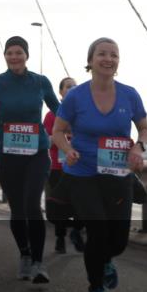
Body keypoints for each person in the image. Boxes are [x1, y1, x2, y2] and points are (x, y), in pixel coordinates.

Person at [52, 38, 147, 292]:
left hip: (118, 174)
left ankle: (107, 260)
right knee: (97, 231)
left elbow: (144, 128)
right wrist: (68, 149)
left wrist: (139, 146)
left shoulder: (130, 94)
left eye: (114, 55)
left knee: (118, 240)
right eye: (102, 54)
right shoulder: (76, 96)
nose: (108, 59)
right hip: (83, 173)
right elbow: (57, 132)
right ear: (91, 60)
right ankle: (96, 290)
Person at [0, 36, 59, 283]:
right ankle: (25, 254)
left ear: (26, 55)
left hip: (37, 152)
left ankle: (39, 263)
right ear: (5, 56)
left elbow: (59, 111)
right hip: (8, 155)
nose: (14, 57)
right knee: (18, 210)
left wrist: (71, 128)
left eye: (19, 52)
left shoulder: (40, 82)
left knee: (31, 206)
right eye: (9, 53)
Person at [43, 77, 85, 254]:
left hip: (78, 167)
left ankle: (76, 232)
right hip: (57, 167)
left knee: (81, 203)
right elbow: (45, 140)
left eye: (75, 86)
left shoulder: (83, 112)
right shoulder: (52, 115)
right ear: (60, 92)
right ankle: (60, 238)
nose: (72, 88)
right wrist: (61, 139)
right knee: (59, 206)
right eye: (68, 86)